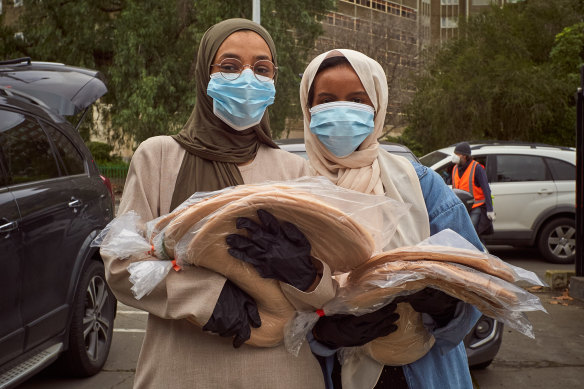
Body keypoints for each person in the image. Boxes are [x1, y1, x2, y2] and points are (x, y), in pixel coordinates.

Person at [227, 49, 485, 389]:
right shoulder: (291, 195)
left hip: (421, 375)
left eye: (357, 99)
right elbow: (268, 306)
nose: (342, 110)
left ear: (376, 106)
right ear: (308, 108)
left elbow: (480, 287)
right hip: (327, 376)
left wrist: (445, 306)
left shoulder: (421, 186)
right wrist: (321, 330)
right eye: (327, 99)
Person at [102, 18, 338, 388]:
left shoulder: (296, 172)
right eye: (229, 66)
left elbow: (328, 290)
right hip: (181, 372)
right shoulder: (159, 158)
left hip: (280, 374)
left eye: (262, 69)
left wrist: (306, 275)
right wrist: (210, 299)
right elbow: (122, 265)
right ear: (203, 74)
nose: (247, 79)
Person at [451, 141, 495, 237]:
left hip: (476, 208)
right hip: (462, 209)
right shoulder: (455, 168)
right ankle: (482, 251)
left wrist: (490, 209)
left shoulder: (477, 168)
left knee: (470, 234)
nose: (455, 156)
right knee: (470, 236)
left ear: (464, 156)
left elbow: (486, 189)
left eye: (457, 154)